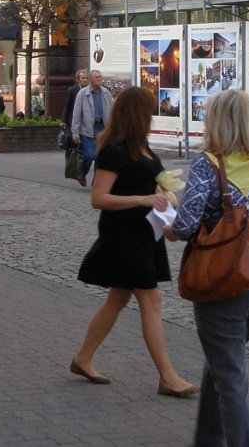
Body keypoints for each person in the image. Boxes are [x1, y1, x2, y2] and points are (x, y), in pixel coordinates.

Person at [163, 89, 249, 447]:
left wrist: (169, 228)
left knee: (231, 377)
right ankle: (208, 439)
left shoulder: (208, 164)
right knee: (224, 361)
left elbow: (185, 224)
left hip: (224, 281)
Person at [70, 86, 197, 397]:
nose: (153, 115)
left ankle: (83, 358)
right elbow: (99, 199)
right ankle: (167, 377)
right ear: (137, 115)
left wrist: (165, 199)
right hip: (122, 235)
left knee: (118, 298)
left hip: (145, 234)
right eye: (149, 110)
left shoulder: (144, 149)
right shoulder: (113, 150)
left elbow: (152, 184)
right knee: (151, 301)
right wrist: (142, 199)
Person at [71, 70, 113, 187]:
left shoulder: (106, 93)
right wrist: (75, 133)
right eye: (96, 77)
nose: (99, 79)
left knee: (100, 157)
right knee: (90, 156)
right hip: (87, 129)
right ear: (90, 79)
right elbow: (76, 114)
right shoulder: (82, 94)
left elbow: (112, 111)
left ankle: (96, 182)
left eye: (100, 77)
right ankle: (82, 174)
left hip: (102, 129)